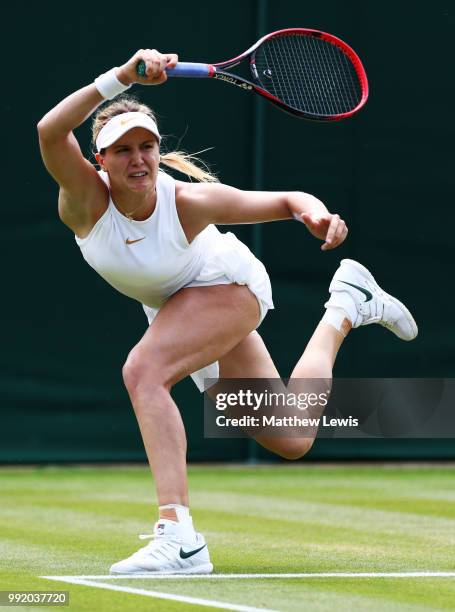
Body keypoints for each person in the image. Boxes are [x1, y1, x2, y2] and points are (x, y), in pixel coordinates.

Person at [37, 48, 418, 575]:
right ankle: (346, 305)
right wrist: (119, 78)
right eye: (122, 151)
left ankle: (180, 537)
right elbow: (50, 131)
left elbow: (286, 200)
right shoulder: (83, 200)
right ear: (99, 161)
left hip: (228, 287)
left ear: (158, 150)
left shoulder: (187, 203)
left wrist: (314, 214)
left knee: (144, 373)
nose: (138, 159)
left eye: (147, 146)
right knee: (291, 436)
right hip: (178, 310)